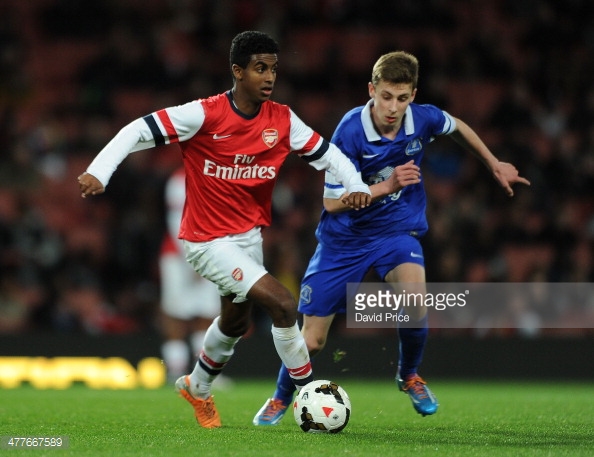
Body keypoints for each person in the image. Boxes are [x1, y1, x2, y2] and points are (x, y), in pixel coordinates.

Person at [77, 30, 373, 429]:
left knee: (235, 323)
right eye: (259, 69)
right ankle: (310, 393)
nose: (269, 77)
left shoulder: (282, 120)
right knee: (283, 303)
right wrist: (100, 170)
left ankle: (196, 387)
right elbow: (137, 130)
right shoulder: (204, 114)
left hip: (248, 238)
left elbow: (329, 155)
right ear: (237, 71)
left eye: (273, 69)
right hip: (205, 240)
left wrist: (354, 184)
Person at [253, 50, 531, 425]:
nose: (392, 107)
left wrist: (493, 163)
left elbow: (458, 126)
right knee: (313, 340)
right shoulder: (350, 131)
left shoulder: (423, 118)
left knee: (415, 302)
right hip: (344, 239)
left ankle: (409, 375)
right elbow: (332, 202)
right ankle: (281, 396)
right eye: (386, 96)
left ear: (413, 95)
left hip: (396, 232)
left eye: (402, 98)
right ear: (372, 90)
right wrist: (388, 185)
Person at [158, 167, 224, 383]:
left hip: (210, 255)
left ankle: (204, 373)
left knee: (206, 313)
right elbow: (176, 221)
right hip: (178, 258)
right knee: (175, 313)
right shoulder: (180, 180)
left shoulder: (220, 177)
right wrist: (192, 259)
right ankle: (175, 371)